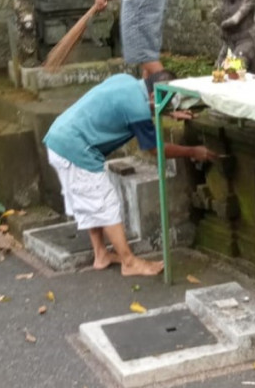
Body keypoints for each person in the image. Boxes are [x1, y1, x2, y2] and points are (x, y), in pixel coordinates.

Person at [42, 71, 214, 276]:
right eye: (166, 101)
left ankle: (101, 254)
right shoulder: (138, 110)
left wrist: (164, 111)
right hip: (75, 149)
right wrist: (193, 151)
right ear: (153, 97)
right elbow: (155, 149)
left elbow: (127, 106)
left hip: (60, 138)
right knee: (106, 203)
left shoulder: (126, 81)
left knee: (91, 200)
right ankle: (129, 262)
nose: (168, 106)